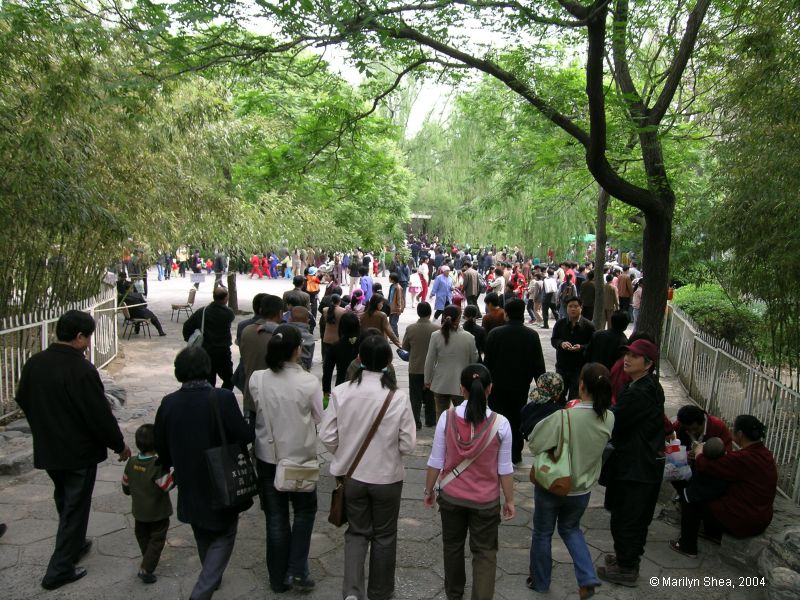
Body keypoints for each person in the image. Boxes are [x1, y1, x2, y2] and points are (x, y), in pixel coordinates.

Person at [15, 310, 131, 590]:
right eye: (88, 338)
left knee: (64, 498)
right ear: (79, 337)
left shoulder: (35, 363)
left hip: (49, 447)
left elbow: (22, 398)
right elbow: (98, 414)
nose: (89, 343)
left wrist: (43, 424)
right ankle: (59, 569)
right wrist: (119, 444)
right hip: (77, 452)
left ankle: (75, 544)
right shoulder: (80, 369)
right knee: (75, 507)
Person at [320, 336, 417, 600]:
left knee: (356, 533)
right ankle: (380, 592)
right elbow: (408, 445)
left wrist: (345, 452)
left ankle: (352, 592)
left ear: (359, 359)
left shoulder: (341, 391)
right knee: (385, 536)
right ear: (388, 362)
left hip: (351, 477)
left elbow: (327, 436)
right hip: (387, 478)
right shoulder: (398, 397)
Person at [154, 346, 254, 600]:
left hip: (188, 475)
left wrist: (168, 465)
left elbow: (161, 446)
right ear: (206, 368)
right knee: (225, 532)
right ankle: (203, 590)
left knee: (201, 528)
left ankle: (213, 576)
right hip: (220, 475)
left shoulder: (169, 403)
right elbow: (243, 435)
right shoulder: (221, 398)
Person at [423, 364, 515, 600]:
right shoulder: (501, 424)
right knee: (485, 554)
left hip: (452, 497)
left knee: (452, 547)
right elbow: (504, 468)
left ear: (461, 389)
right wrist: (510, 500)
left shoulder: (447, 418)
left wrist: (428, 489)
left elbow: (436, 460)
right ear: (490, 389)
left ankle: (454, 594)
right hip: (485, 502)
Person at [528, 363, 614, 599]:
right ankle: (587, 577)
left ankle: (540, 582)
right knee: (571, 529)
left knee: (543, 533)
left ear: (582, 385)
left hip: (554, 484)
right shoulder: (609, 418)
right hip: (582, 489)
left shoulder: (564, 415)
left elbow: (535, 443)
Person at [249, 325, 322, 592]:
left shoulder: (257, 379)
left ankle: (278, 577)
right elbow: (319, 417)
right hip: (300, 458)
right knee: (304, 513)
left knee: (276, 518)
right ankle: (298, 571)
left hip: (268, 457)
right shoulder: (308, 382)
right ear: (296, 350)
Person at [598, 339, 665, 587]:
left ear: (648, 364)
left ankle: (627, 567)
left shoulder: (640, 391)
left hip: (637, 467)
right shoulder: (643, 385)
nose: (627, 359)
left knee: (628, 518)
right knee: (630, 517)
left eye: (634, 356)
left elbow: (615, 420)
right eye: (627, 354)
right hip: (637, 463)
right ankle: (626, 559)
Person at [670, 415, 778, 558]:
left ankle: (687, 546)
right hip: (761, 516)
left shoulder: (744, 458)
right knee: (712, 493)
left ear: (740, 434)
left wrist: (699, 453)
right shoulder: (765, 454)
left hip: (744, 519)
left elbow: (706, 465)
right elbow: (729, 466)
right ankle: (712, 533)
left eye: (734, 428)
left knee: (690, 497)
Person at [484, 299, 546, 464]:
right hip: (520, 386)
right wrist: (542, 389)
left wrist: (486, 385)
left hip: (497, 386)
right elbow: (539, 366)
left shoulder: (495, 334)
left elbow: (487, 363)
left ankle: (496, 452)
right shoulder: (532, 335)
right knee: (517, 419)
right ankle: (515, 454)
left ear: (506, 314)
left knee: (498, 419)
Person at [122, 424, 173, 584]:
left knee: (143, 536)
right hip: (158, 513)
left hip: (139, 512)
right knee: (157, 540)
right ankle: (146, 568)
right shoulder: (156, 465)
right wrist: (176, 474)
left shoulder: (131, 462)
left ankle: (147, 558)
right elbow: (167, 485)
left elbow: (125, 486)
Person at [424, 305, 479, 422]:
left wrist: (427, 380)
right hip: (461, 384)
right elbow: (474, 361)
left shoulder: (436, 336)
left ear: (443, 316)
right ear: (459, 318)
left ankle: (442, 439)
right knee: (462, 419)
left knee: (441, 418)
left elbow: (430, 360)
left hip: (440, 382)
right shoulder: (469, 338)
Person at [238, 294, 284, 424]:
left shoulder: (246, 331)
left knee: (255, 434)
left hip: (251, 394)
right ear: (280, 313)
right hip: (275, 397)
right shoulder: (282, 335)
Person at [182, 287, 236, 389]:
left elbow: (187, 326)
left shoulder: (202, 312)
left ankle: (210, 400)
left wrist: (190, 339)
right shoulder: (229, 313)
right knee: (229, 379)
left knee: (209, 381)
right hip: (222, 352)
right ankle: (222, 398)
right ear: (225, 299)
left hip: (205, 351)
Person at [401, 302, 440, 429]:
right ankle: (430, 420)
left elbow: (405, 347)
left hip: (415, 367)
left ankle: (416, 421)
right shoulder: (436, 329)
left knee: (415, 396)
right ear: (430, 313)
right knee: (430, 396)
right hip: (432, 368)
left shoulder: (411, 328)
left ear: (418, 313)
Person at [551, 297, 596, 401]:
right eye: (570, 306)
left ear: (581, 308)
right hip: (561, 367)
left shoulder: (589, 326)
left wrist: (581, 347)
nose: (573, 309)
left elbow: (592, 344)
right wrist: (561, 343)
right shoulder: (560, 323)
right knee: (558, 397)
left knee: (574, 399)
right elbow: (554, 339)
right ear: (566, 308)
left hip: (578, 369)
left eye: (576, 306)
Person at [322, 312, 362, 400]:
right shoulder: (364, 344)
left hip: (341, 386)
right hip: (362, 387)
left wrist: (326, 392)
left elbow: (327, 371)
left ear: (341, 327)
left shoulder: (335, 347)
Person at [387, 272, 405, 338]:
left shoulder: (398, 287)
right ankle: (392, 336)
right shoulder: (392, 286)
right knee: (390, 323)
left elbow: (399, 299)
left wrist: (399, 310)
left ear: (393, 279)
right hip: (391, 308)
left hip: (396, 309)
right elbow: (389, 297)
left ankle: (395, 336)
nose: (389, 279)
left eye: (390, 278)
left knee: (393, 323)